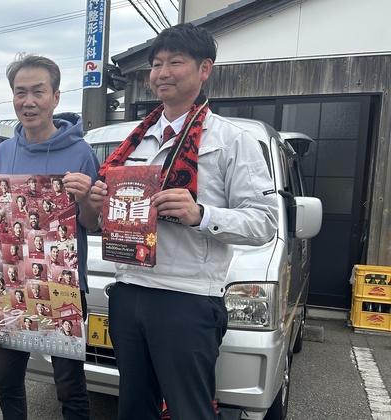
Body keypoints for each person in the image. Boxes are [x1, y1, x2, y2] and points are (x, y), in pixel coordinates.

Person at [78, 24, 278, 420]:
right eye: (156, 64)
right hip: (128, 289)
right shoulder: (133, 142)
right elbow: (92, 221)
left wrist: (201, 214)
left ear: (204, 69)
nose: (162, 73)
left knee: (190, 410)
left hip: (188, 297)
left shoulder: (233, 140)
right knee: (134, 407)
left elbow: (265, 222)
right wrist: (91, 203)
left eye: (175, 62)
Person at [0, 53, 98, 420]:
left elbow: (91, 223)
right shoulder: (4, 151)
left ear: (55, 97)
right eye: (20, 92)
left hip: (62, 283)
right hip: (12, 282)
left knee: (69, 385)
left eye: (38, 92)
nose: (29, 101)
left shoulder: (81, 153)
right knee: (7, 378)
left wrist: (86, 198)